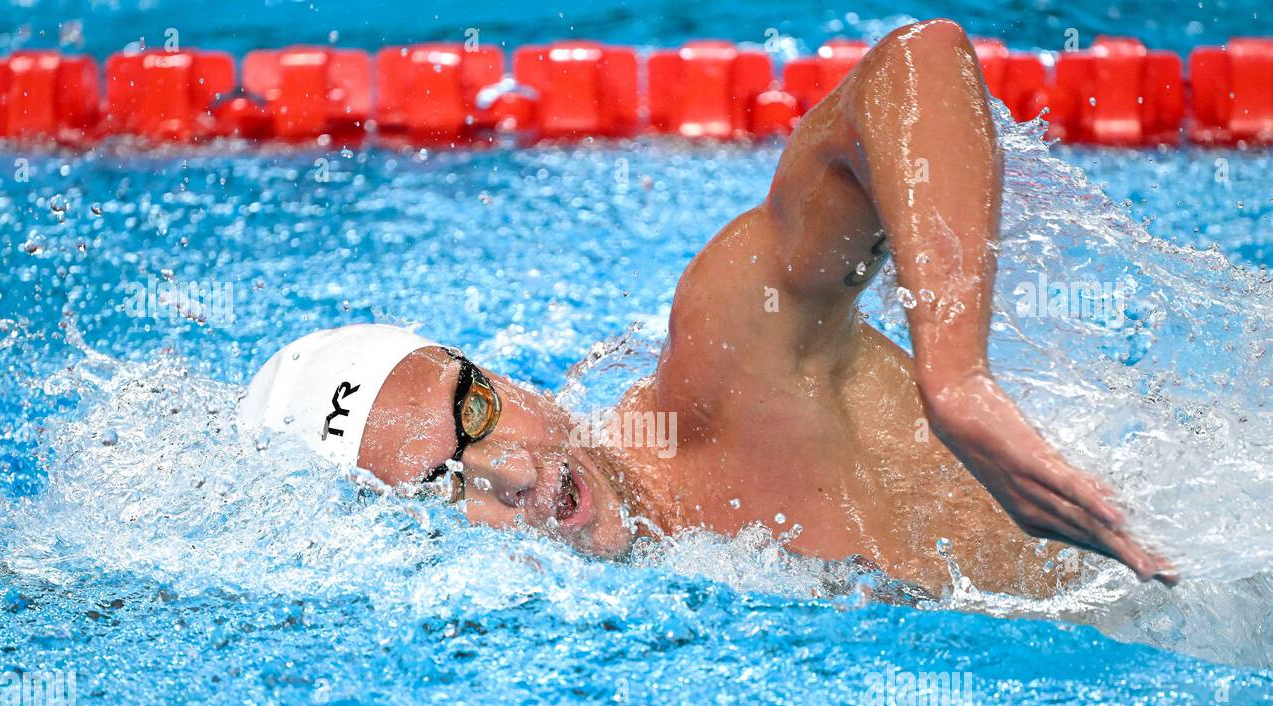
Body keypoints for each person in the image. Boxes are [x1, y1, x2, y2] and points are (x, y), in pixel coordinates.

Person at [238, 19, 1175, 595]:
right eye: (445, 485)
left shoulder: (730, 365)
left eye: (476, 410)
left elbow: (915, 66)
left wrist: (954, 372)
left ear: (509, 374)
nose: (511, 469)